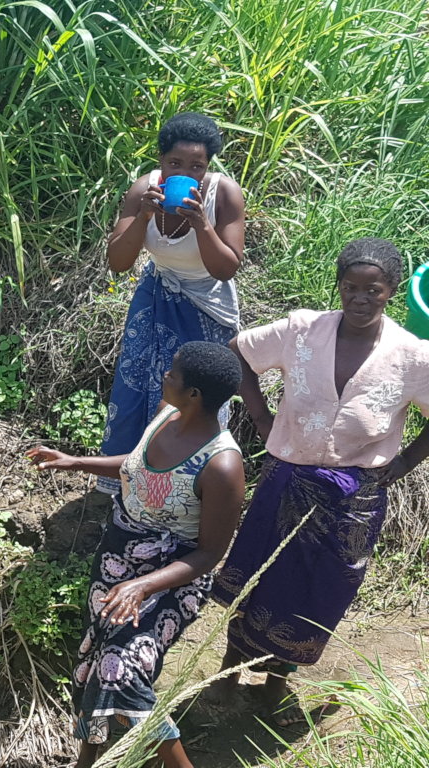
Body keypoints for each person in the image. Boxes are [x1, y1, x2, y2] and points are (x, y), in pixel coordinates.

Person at [209, 237, 429, 725]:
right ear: (339, 285)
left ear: (391, 291)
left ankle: (276, 682)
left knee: (315, 591)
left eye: (373, 290)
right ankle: (226, 672)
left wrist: (407, 461)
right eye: (351, 287)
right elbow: (238, 353)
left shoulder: (413, 357)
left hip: (354, 500)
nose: (360, 298)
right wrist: (261, 417)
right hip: (286, 481)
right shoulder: (301, 330)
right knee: (258, 576)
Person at [28, 342, 246, 768]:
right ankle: (87, 759)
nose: (165, 376)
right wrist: (75, 462)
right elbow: (138, 467)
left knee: (123, 671)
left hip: (173, 577)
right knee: (95, 656)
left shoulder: (222, 465)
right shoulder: (166, 415)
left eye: (173, 373)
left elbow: (210, 554)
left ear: (195, 393)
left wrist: (142, 586)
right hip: (117, 560)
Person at [96, 112, 246, 496]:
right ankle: (129, 483)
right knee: (135, 386)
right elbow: (118, 262)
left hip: (206, 306)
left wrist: (202, 224)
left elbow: (225, 269)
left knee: (192, 400)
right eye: (175, 164)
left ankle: (183, 489)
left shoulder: (223, 194)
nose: (185, 173)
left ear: (208, 168)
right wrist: (144, 215)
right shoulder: (142, 190)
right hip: (157, 293)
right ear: (161, 161)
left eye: (197, 167)